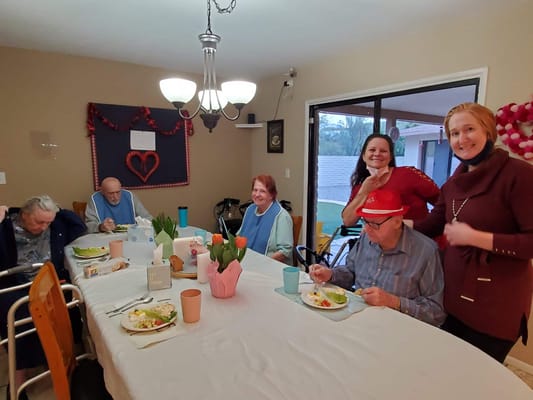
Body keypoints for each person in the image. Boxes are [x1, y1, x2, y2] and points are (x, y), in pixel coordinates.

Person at [411, 102, 533, 363]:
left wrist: (477, 238)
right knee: (446, 368)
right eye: (454, 133)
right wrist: (391, 222)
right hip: (452, 297)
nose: (461, 139)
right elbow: (432, 223)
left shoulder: (519, 175)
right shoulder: (454, 183)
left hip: (496, 307)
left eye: (469, 129)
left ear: (488, 132)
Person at [311, 189, 445, 327]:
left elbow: (435, 313)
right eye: (365, 222)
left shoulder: (425, 251)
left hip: (398, 328)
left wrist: (393, 301)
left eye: (375, 224)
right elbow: (351, 272)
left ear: (397, 221)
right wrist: (330, 274)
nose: (367, 229)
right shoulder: (366, 239)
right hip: (357, 320)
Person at [0, 195, 86, 395]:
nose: (44, 227)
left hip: (50, 282)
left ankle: (63, 358)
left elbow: (78, 226)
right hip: (15, 285)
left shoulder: (55, 225)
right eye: (39, 222)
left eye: (48, 222)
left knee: (73, 301)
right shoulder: (6, 227)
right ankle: (19, 374)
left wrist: (58, 210)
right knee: (20, 313)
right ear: (24, 215)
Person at [342, 133, 440, 227]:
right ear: (363, 156)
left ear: (390, 157)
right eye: (372, 150)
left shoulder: (409, 175)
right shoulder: (360, 187)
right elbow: (348, 221)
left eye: (383, 151)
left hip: (416, 240)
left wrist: (426, 225)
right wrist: (364, 192)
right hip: (379, 242)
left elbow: (443, 203)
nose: (377, 154)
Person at [238, 175, 293, 264]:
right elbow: (240, 236)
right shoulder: (250, 210)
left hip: (270, 267)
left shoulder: (281, 216)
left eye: (262, 191)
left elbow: (285, 251)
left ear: (271, 195)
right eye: (255, 190)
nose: (257, 194)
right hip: (247, 263)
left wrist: (261, 262)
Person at [86, 176, 153, 233]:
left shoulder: (129, 196)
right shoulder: (95, 199)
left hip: (130, 235)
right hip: (105, 237)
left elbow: (148, 218)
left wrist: (143, 224)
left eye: (118, 192)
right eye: (111, 193)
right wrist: (101, 227)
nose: (116, 197)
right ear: (102, 192)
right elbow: (88, 226)